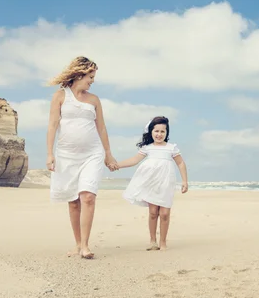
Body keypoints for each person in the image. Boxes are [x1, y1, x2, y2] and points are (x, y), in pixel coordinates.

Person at [46, 56, 118, 259]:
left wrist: (107, 154)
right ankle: (77, 244)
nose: (92, 80)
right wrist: (50, 154)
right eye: (90, 76)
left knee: (87, 196)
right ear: (79, 73)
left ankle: (85, 245)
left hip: (92, 154)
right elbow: (52, 125)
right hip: (66, 154)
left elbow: (101, 127)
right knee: (73, 201)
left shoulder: (94, 100)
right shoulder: (60, 96)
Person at [114, 116, 188, 251]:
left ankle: (163, 242)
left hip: (166, 182)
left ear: (166, 133)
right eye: (156, 131)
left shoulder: (171, 148)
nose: (159, 134)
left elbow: (181, 163)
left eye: (162, 131)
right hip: (151, 182)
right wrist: (117, 165)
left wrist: (184, 181)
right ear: (151, 132)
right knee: (153, 212)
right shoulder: (148, 148)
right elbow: (134, 160)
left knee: (165, 213)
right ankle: (153, 241)